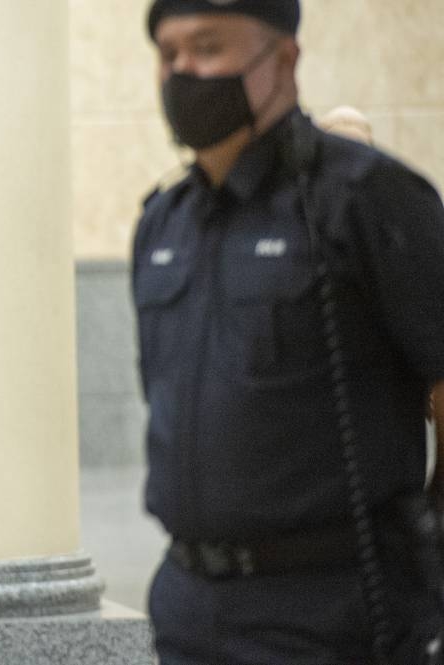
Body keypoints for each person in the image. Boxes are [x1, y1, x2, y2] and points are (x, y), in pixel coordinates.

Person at [133, 1, 444, 663]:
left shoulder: (368, 198)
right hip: (188, 606)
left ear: (283, 60)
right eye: (169, 54)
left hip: (329, 608)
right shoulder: (163, 225)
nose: (185, 70)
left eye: (208, 47)